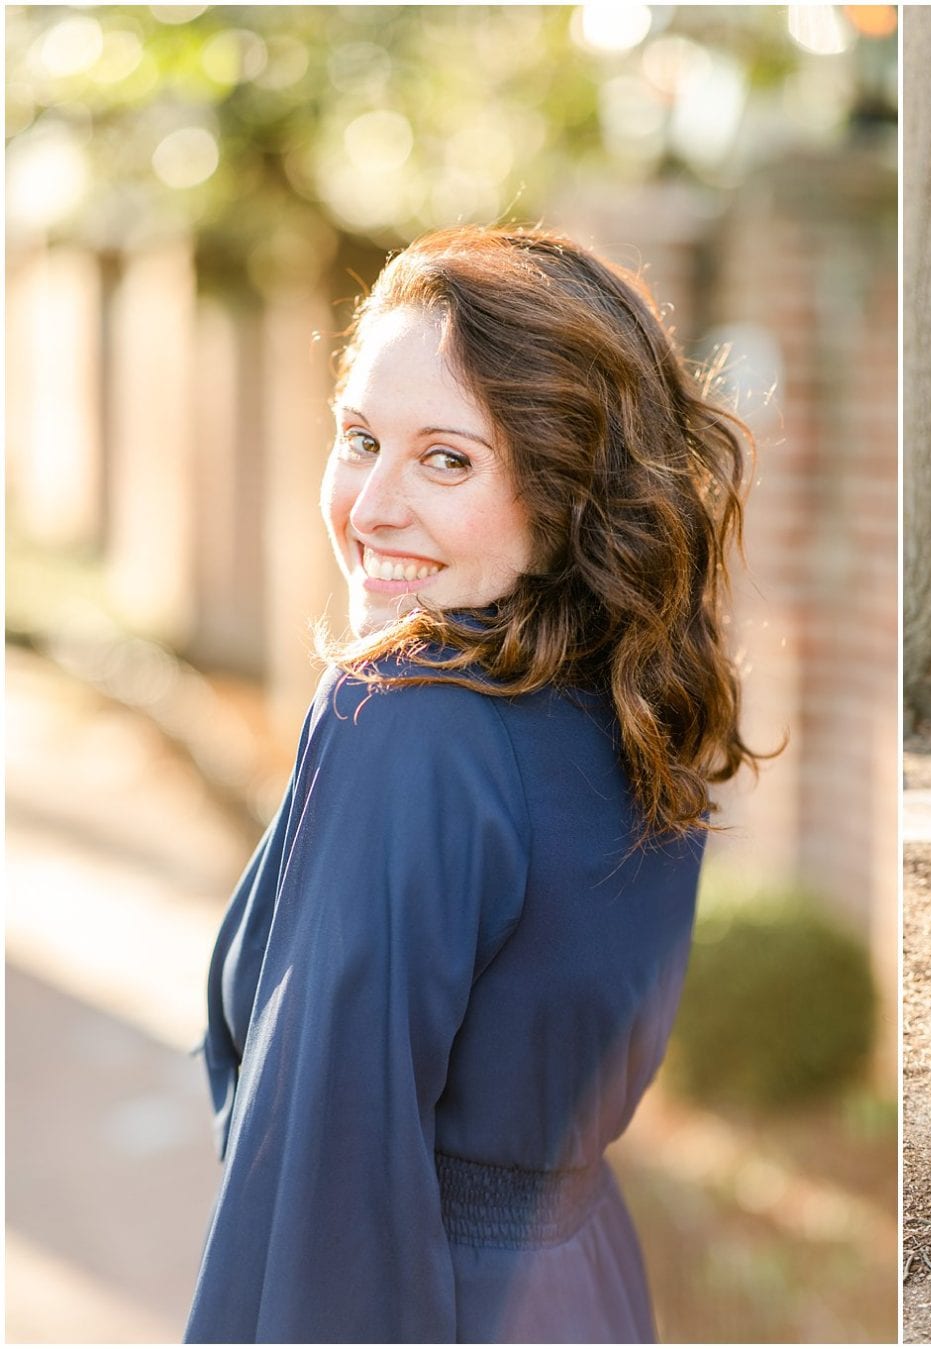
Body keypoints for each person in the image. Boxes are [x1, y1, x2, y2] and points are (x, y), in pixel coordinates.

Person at [186, 226, 765, 1342]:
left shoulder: (403, 717)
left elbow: (328, 1175)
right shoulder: (638, 703)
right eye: (360, 438)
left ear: (564, 490)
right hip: (586, 1289)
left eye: (446, 458)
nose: (370, 505)